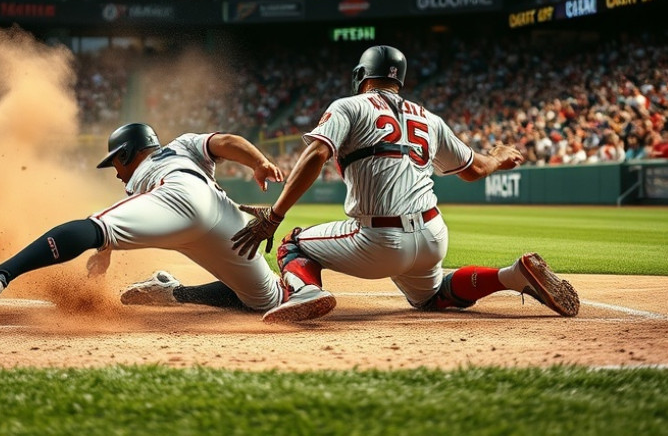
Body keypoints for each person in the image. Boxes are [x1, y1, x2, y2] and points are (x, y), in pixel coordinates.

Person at [229, 45, 579, 321]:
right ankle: (511, 276)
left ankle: (306, 292)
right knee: (431, 297)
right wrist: (500, 157)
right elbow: (474, 169)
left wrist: (274, 216)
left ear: (362, 76)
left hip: (378, 242)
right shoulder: (428, 117)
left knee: (293, 244)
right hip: (433, 237)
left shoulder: (349, 106)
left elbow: (317, 153)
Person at [0, 123, 336, 322]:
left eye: (115, 163)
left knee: (93, 226)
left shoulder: (165, 157)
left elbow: (224, 142)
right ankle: (172, 292)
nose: (115, 172)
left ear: (126, 153)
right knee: (265, 301)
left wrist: (258, 161)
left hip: (177, 199)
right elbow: (225, 143)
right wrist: (260, 161)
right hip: (224, 215)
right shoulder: (180, 149)